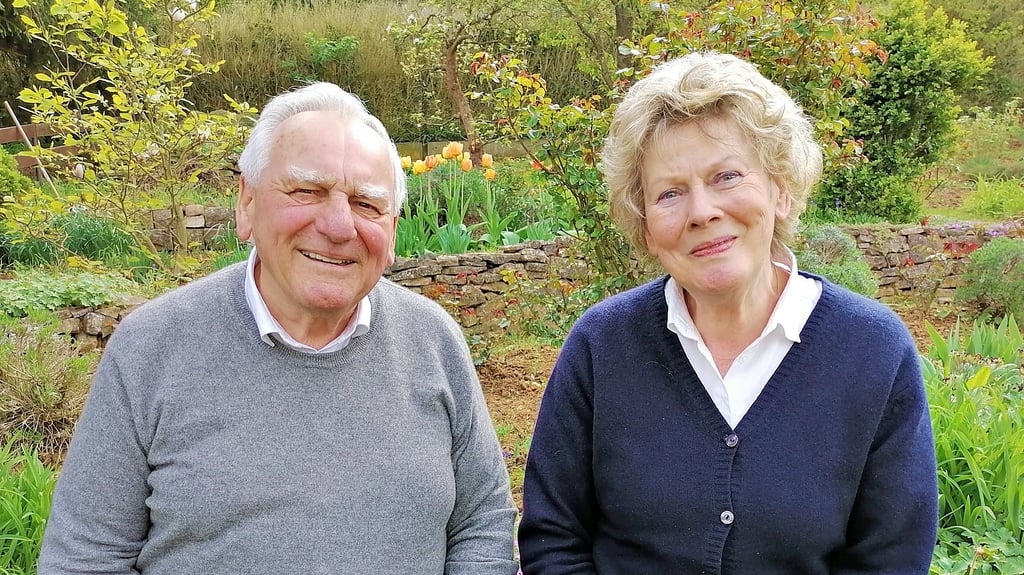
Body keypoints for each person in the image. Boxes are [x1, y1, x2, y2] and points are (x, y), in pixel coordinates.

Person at [38, 82, 519, 575]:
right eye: (307, 191)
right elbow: (85, 557)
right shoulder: (150, 347)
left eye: (367, 204)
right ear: (247, 204)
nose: (338, 226)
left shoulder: (433, 340)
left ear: (392, 231)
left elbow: (481, 526)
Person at [518, 51, 938, 574]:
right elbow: (553, 539)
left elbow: (891, 558)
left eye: (727, 177)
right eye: (669, 193)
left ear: (780, 190)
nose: (701, 212)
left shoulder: (873, 350)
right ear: (646, 226)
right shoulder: (602, 345)